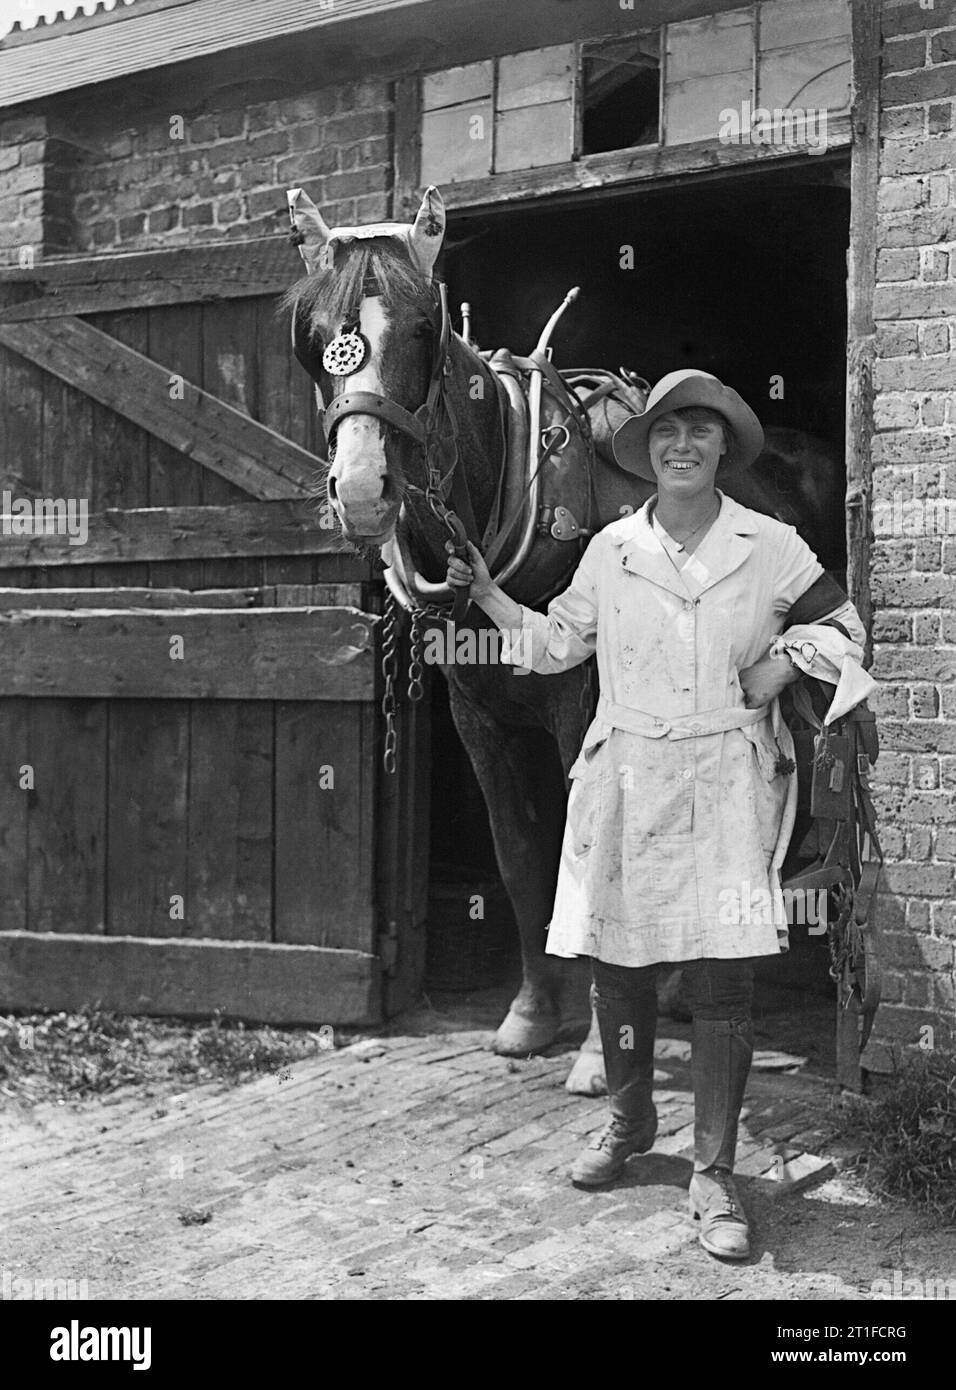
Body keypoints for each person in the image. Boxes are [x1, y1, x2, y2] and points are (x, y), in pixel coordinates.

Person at [446, 369, 874, 1261]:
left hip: (725, 772)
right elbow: (558, 645)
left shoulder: (772, 544)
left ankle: (714, 1172)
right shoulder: (611, 549)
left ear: (725, 449)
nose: (683, 446)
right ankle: (631, 1120)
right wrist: (488, 594)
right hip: (628, 771)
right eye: (667, 434)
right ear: (647, 454)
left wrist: (786, 664)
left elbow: (846, 627)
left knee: (722, 980)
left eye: (701, 432)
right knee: (621, 963)